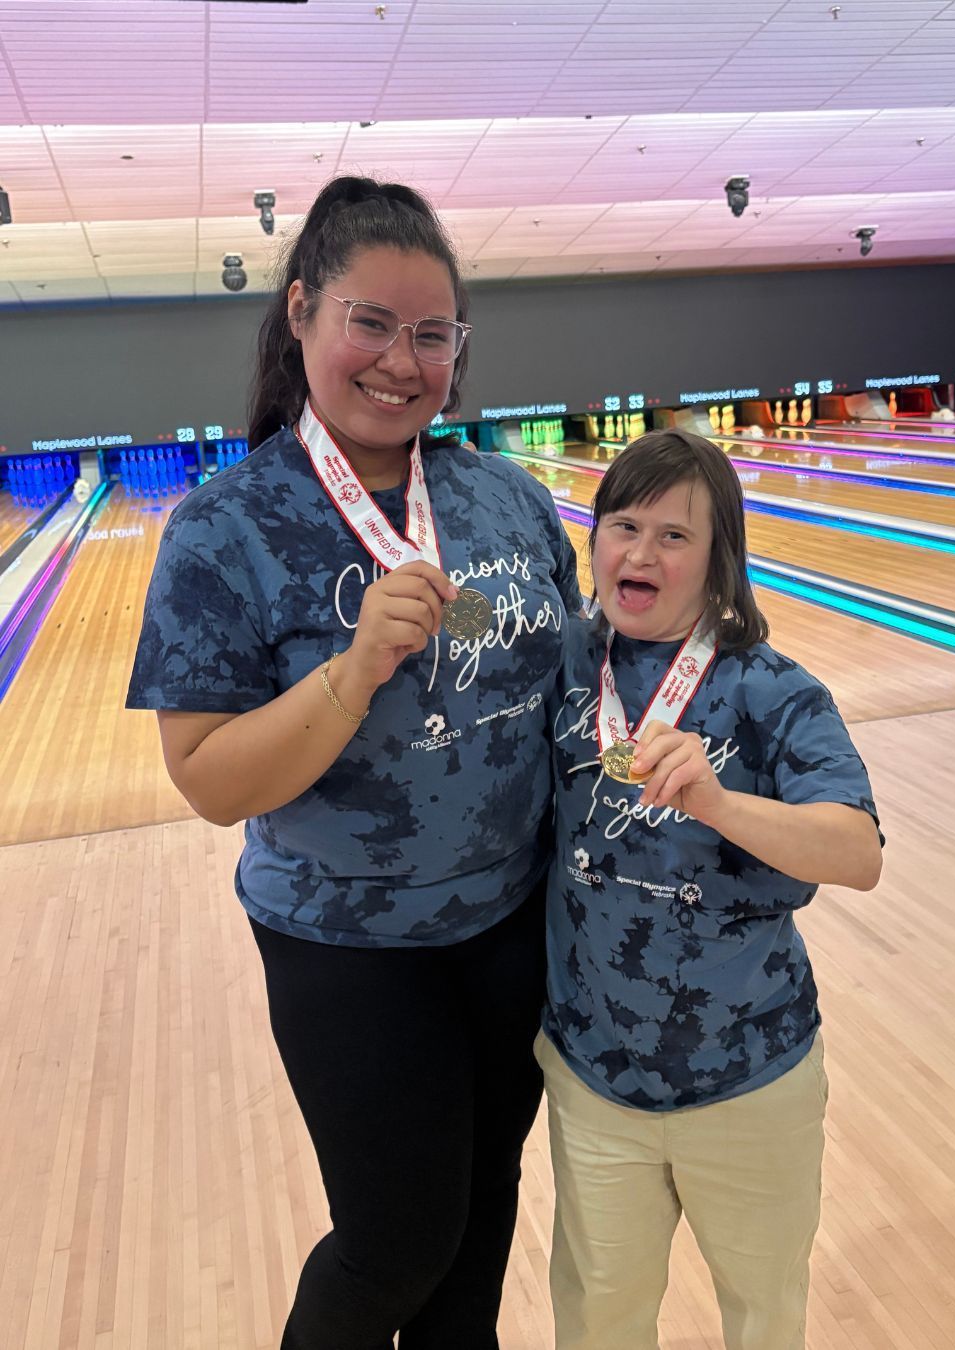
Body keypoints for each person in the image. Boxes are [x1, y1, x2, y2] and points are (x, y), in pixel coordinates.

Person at [126, 175, 582, 1350]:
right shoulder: (225, 529)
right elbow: (209, 780)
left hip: (511, 930)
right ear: (301, 316)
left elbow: (578, 704)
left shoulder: (510, 500)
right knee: (394, 1239)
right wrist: (349, 671)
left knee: (480, 1223)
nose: (401, 360)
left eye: (433, 334)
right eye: (369, 322)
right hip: (348, 951)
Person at [537, 428, 883, 1350]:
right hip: (594, 1078)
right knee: (599, 1319)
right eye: (622, 526)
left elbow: (857, 852)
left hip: (750, 1075)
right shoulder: (562, 668)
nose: (640, 553)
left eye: (674, 535)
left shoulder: (774, 692)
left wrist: (721, 802)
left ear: (720, 561)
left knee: (763, 1317)